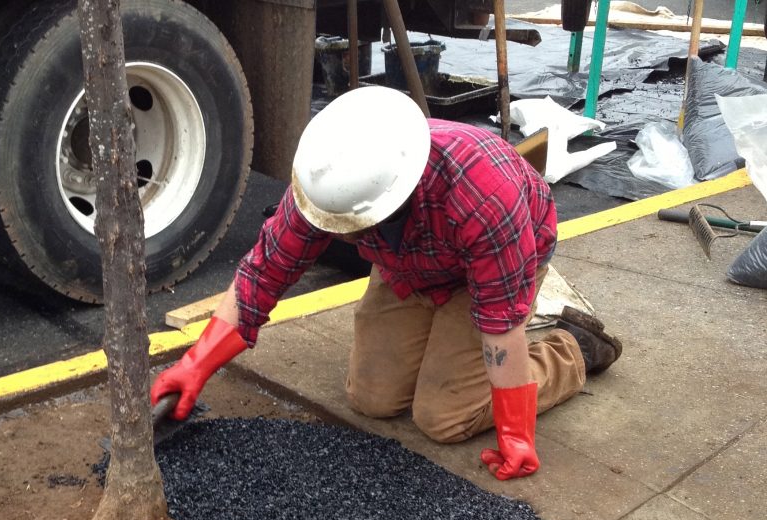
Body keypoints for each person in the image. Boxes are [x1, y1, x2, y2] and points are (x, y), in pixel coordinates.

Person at [151, 86, 621, 481]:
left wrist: (516, 434)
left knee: (443, 417)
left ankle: (572, 349)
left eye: (348, 228)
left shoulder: (482, 194)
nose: (336, 235)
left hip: (496, 265)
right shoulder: (328, 187)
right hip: (409, 265)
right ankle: (445, 346)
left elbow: (499, 325)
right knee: (372, 398)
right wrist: (195, 366)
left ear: (391, 203)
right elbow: (262, 274)